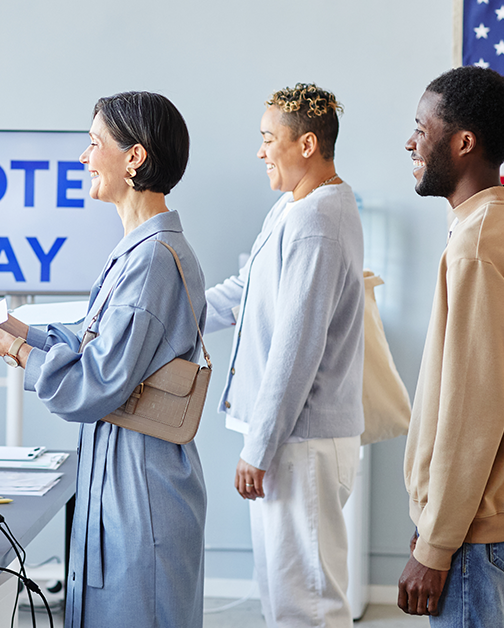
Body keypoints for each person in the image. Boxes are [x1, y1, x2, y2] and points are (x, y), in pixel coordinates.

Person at [0, 91, 207, 628]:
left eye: (93, 143)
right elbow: (94, 342)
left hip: (140, 486)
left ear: (134, 158)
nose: (83, 158)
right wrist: (7, 324)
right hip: (127, 473)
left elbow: (95, 384)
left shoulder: (151, 258)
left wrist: (6, 347)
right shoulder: (139, 249)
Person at [397, 66, 504, 627]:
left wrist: (436, 544)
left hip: (472, 532)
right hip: (480, 522)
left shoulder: (479, 246)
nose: (411, 142)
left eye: (422, 129)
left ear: (462, 142)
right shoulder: (501, 221)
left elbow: (473, 416)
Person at [203, 83, 364, 628]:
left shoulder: (316, 222)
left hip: (302, 444)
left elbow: (297, 348)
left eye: (269, 138)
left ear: (307, 144)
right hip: (292, 442)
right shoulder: (291, 209)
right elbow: (240, 294)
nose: (260, 150)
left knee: (308, 609)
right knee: (284, 600)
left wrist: (259, 445)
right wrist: (162, 313)